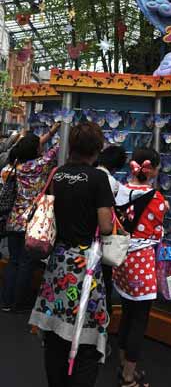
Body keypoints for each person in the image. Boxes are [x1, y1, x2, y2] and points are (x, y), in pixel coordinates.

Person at [29, 122, 114, 387]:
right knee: (84, 328)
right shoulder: (98, 178)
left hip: (58, 260)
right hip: (85, 262)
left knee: (55, 329)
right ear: (96, 149)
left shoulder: (58, 174)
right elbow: (105, 226)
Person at [113, 148, 167, 387]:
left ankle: (123, 363)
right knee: (139, 319)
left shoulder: (119, 191)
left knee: (126, 312)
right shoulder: (157, 199)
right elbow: (158, 230)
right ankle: (128, 376)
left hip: (121, 259)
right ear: (153, 169)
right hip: (142, 262)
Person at [1, 123, 60, 312]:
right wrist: (60, 128)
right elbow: (55, 150)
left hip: (13, 220)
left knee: (14, 261)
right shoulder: (40, 165)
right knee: (27, 264)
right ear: (36, 149)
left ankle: (7, 301)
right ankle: (20, 302)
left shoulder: (15, 165)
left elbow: (30, 146)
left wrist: (50, 132)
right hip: (32, 222)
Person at [96, 145, 128, 323]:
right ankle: (102, 324)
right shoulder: (111, 182)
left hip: (77, 241)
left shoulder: (90, 173)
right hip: (101, 241)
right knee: (103, 284)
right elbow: (107, 224)